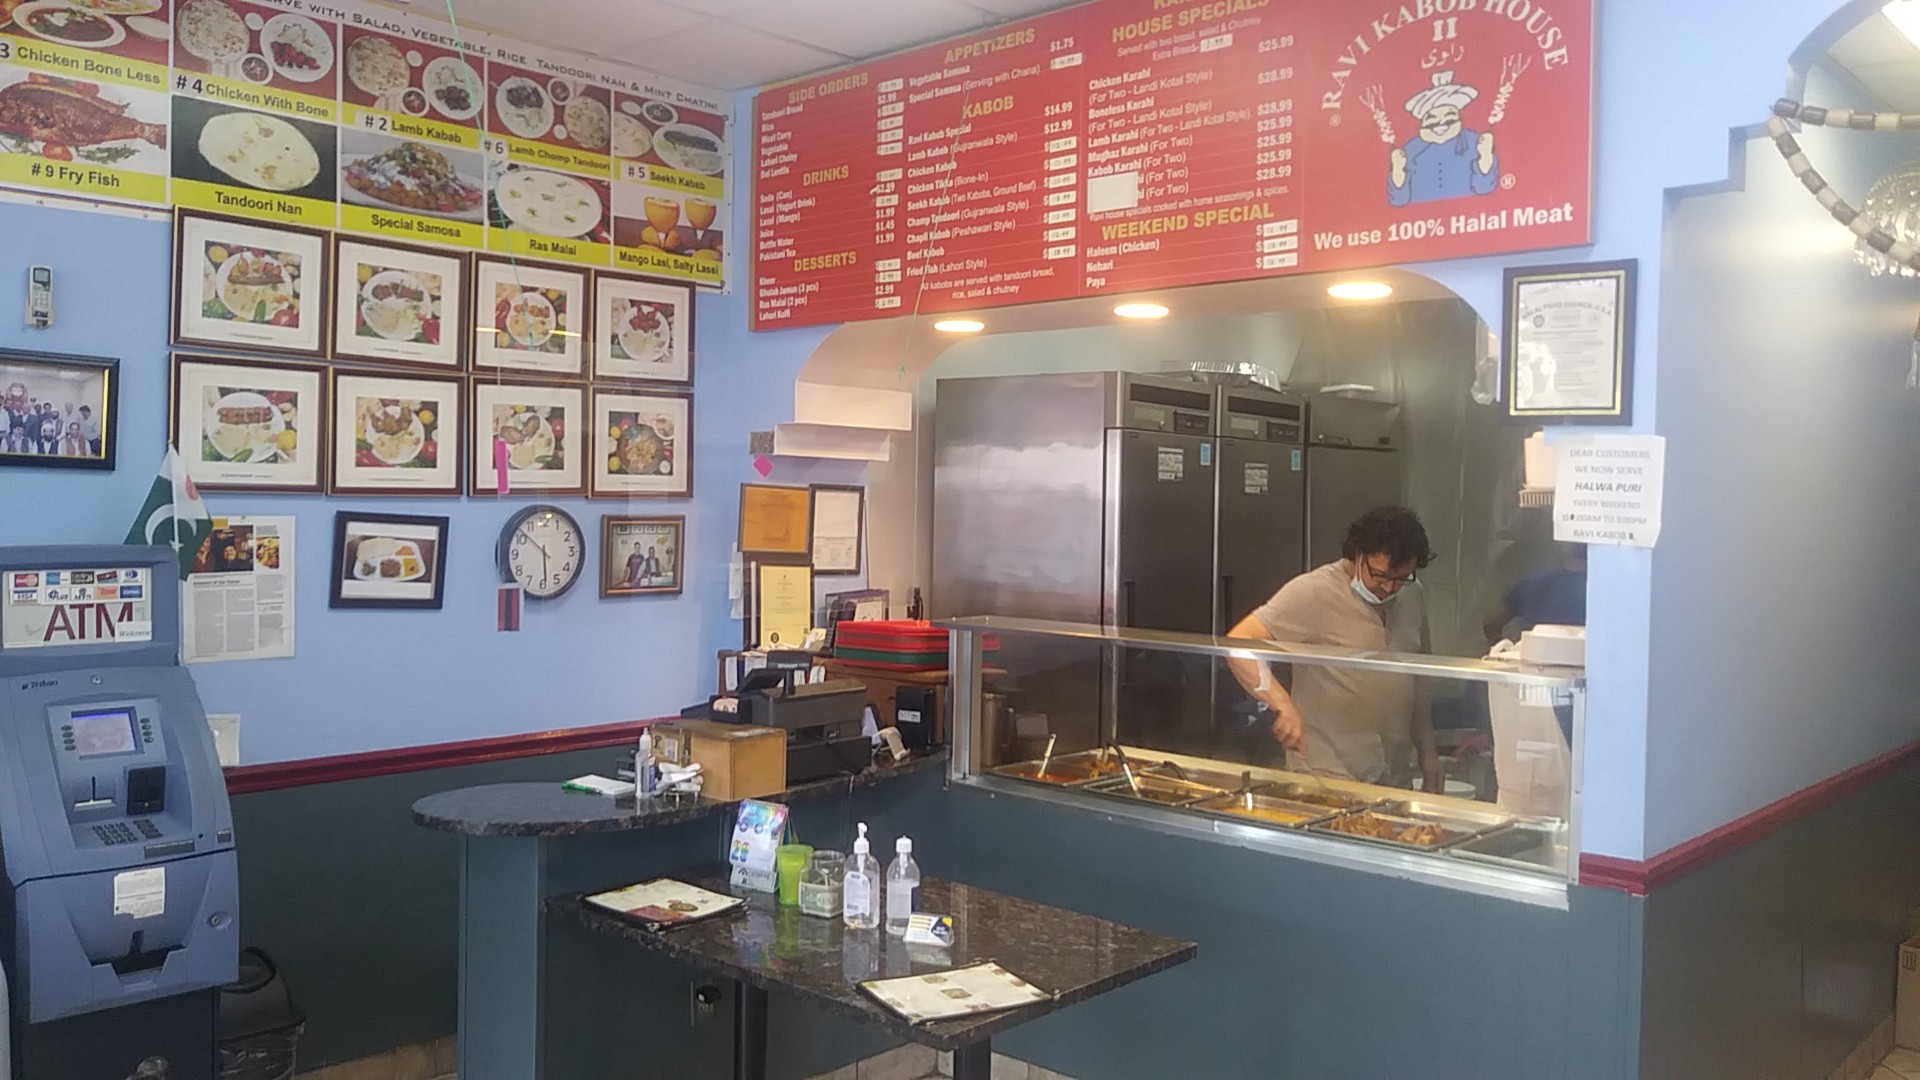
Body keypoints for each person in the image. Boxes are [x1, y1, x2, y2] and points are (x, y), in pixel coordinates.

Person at [1226, 505, 1441, 791]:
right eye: (1380, 576)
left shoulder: (1413, 595)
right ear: (1359, 554)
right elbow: (1239, 643)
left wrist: (1428, 752)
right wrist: (1282, 705)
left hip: (1394, 775)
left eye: (1401, 578)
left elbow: (1419, 679)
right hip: (1326, 774)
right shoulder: (1314, 591)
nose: (1390, 588)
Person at [1388, 71, 1499, 207]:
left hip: (1471, 213)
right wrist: (1398, 168)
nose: (1441, 124)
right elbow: (1399, 200)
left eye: (1448, 117)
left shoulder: (1473, 142)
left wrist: (1486, 155)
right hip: (1422, 215)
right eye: (1432, 119)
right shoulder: (1412, 149)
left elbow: (1484, 188)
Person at [1483, 544, 1587, 645]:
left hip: (1533, 654)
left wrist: (1504, 649)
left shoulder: (1537, 582)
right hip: (1581, 655)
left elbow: (1491, 623)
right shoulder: (1593, 589)